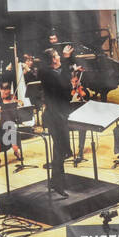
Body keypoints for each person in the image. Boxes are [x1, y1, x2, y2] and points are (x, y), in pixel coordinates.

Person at [37, 47, 73, 197]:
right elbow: (63, 85)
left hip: (62, 114)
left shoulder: (58, 71)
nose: (59, 56)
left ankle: (55, 180)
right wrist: (65, 60)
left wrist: (64, 62)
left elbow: (68, 87)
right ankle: (58, 184)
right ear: (53, 59)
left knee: (61, 150)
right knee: (60, 150)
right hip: (54, 116)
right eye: (57, 55)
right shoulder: (46, 74)